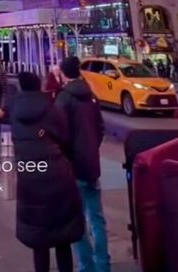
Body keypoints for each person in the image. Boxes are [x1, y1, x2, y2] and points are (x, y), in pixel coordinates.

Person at [10, 72, 83, 272]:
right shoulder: (50, 108)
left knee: (39, 240)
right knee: (63, 237)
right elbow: (64, 137)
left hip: (30, 176)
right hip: (57, 174)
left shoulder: (15, 109)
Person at [55, 57, 111, 272]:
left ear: (63, 73)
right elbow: (100, 129)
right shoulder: (91, 96)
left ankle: (86, 267)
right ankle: (103, 266)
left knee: (77, 221)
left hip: (72, 167)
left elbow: (60, 133)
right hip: (91, 165)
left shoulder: (64, 98)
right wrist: (90, 149)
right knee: (97, 218)